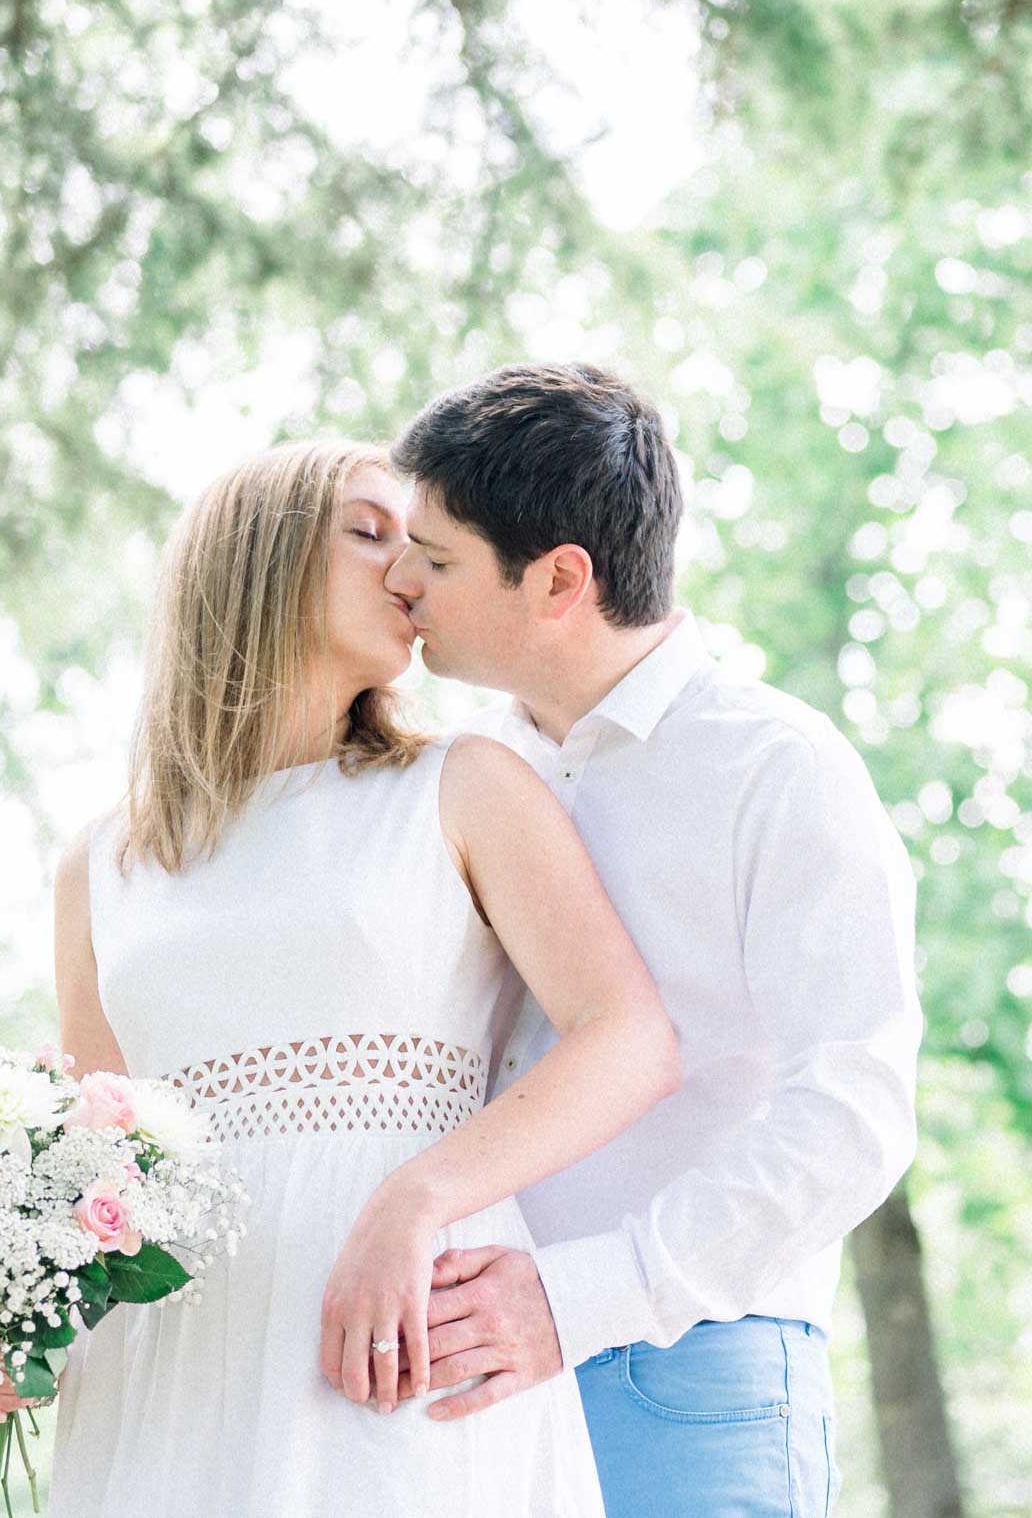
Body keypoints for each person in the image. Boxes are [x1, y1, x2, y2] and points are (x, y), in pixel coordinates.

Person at [0, 437, 682, 1517]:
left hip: (394, 1324)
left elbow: (629, 1037)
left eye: (423, 544)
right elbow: (98, 1159)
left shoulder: (464, 784)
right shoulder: (103, 862)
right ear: (257, 560)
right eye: (371, 533)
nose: (408, 572)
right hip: (174, 1362)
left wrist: (415, 1199)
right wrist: (18, 1318)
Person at [379, 360, 923, 1517]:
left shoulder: (776, 766)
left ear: (559, 579)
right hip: (469, 1387)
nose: (401, 583)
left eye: (436, 559)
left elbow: (853, 1110)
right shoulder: (454, 775)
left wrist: (589, 1295)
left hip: (693, 1367)